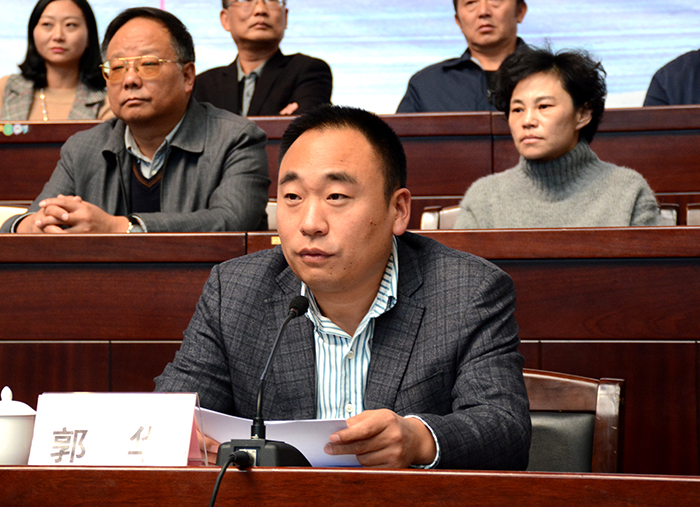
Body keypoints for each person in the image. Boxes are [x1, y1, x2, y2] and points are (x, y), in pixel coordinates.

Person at [155, 105, 531, 470]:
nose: (310, 223)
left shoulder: (467, 290)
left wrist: (419, 440)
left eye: (336, 197)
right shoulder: (236, 291)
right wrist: (179, 435)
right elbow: (169, 412)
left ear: (398, 210)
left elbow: (505, 428)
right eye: (292, 197)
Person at [1, 7, 270, 234]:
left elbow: (232, 221)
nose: (130, 79)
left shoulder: (236, 139)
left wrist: (119, 227)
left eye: (148, 64)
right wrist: (33, 225)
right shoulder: (83, 148)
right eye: (117, 67)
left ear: (187, 76)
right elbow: (32, 217)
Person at [455, 47, 660, 229]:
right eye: (517, 109)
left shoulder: (628, 191)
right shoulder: (484, 198)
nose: (527, 121)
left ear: (583, 114)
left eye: (543, 106)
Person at [194, 0, 332, 117]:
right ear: (225, 19)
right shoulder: (202, 86)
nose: (260, 10)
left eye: (271, 0)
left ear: (285, 17)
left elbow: (302, 132)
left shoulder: (309, 72)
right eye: (247, 0)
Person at [397, 0, 528, 113]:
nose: (483, 12)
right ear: (458, 21)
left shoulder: (540, 73)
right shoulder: (426, 86)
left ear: (520, 11)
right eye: (470, 2)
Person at [0, 0, 111, 121]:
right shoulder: (7, 88)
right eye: (47, 24)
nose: (58, 36)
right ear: (33, 33)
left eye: (70, 25)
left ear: (89, 36)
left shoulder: (106, 101)